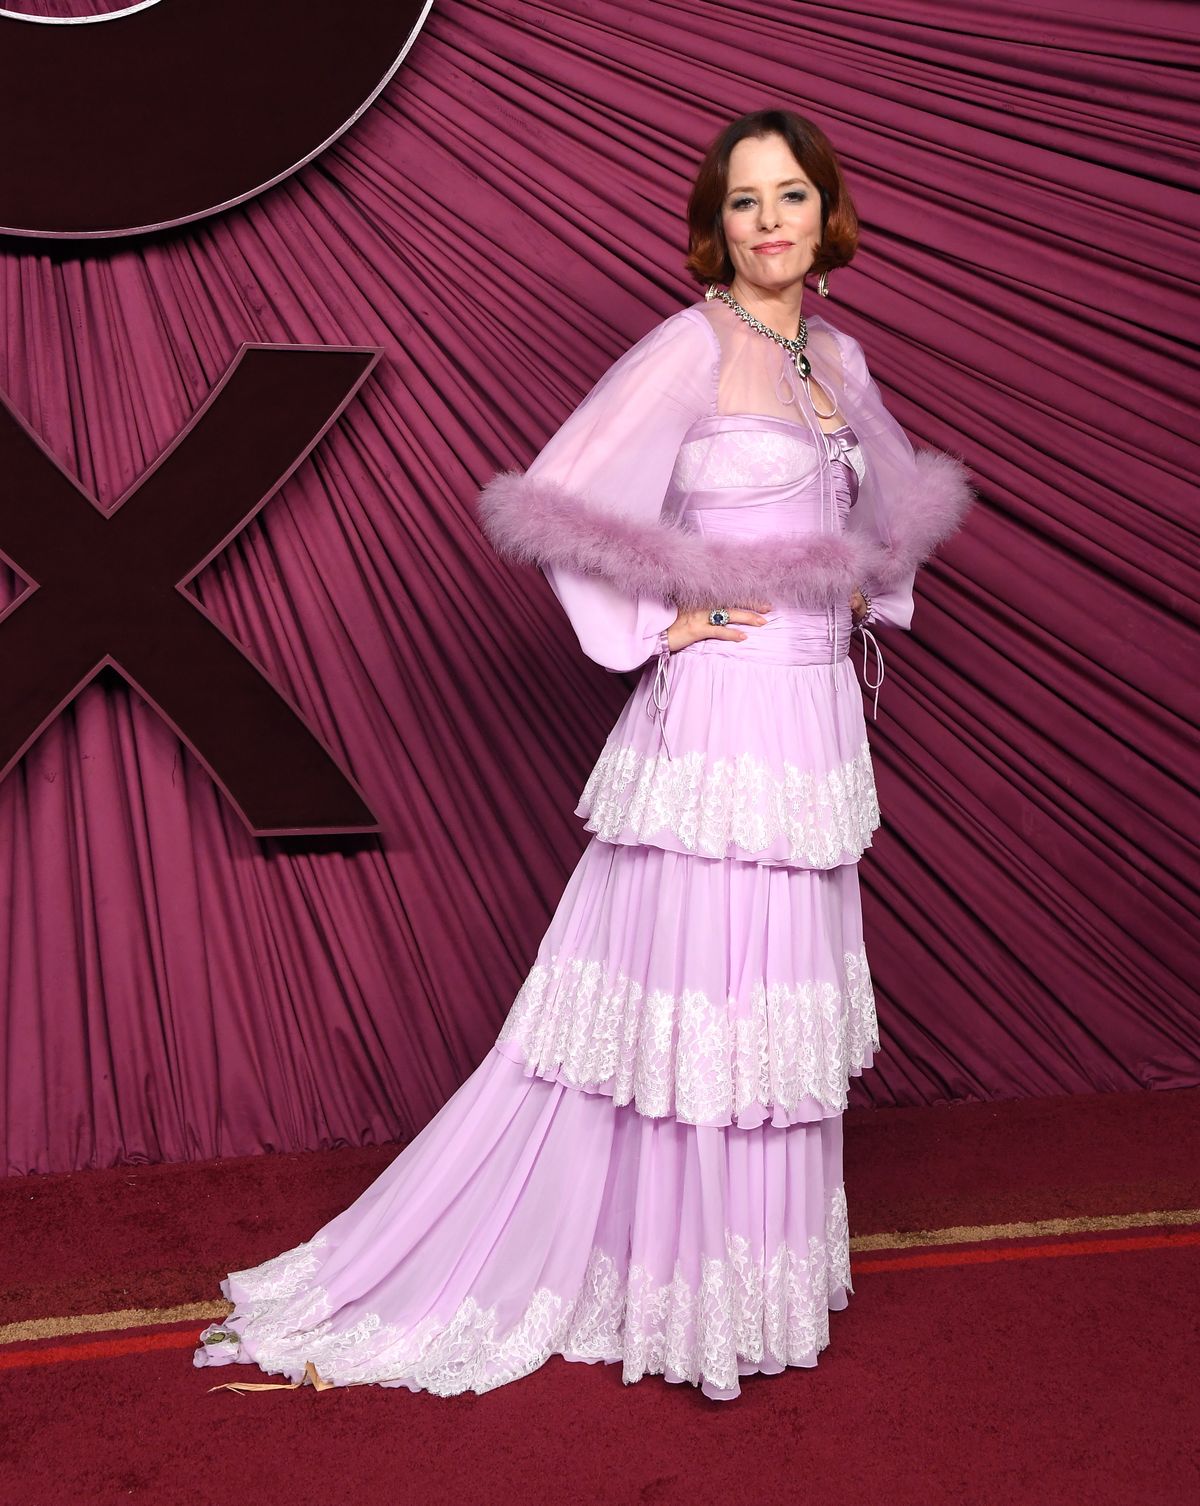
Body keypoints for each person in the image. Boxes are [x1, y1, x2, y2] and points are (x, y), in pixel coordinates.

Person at [193, 107, 974, 1402]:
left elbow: (888, 511)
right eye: (743, 202)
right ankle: (690, 1294)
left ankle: (763, 1277)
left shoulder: (841, 358)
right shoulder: (691, 344)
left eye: (789, 196)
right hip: (720, 723)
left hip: (812, 719)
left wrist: (845, 595)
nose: (769, 221)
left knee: (775, 1007)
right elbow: (566, 496)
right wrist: (665, 615)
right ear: (713, 228)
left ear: (827, 212)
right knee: (708, 1000)